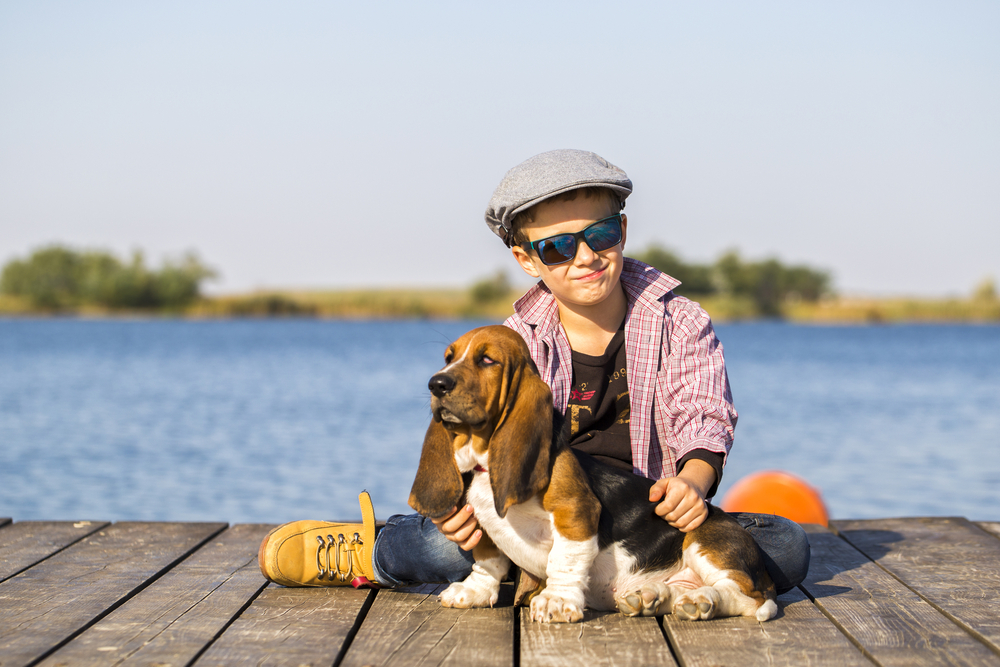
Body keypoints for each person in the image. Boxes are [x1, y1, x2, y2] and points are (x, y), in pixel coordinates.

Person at [258, 149, 810, 595]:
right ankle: (375, 549)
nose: (585, 257)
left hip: (642, 524)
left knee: (786, 545)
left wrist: (693, 481)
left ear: (621, 230)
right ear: (527, 259)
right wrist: (457, 510)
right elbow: (466, 436)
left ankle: (624, 583)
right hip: (536, 518)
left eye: (599, 235)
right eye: (557, 247)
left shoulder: (680, 320)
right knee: (443, 546)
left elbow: (704, 412)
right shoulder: (510, 344)